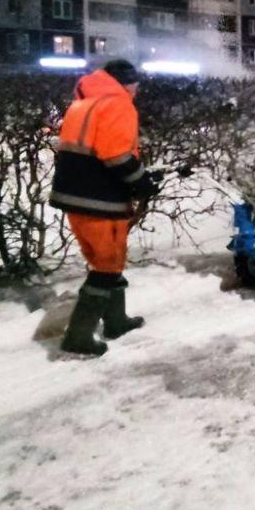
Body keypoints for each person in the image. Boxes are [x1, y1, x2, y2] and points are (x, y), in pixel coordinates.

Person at [49, 58, 159, 356]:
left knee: (106, 260)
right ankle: (78, 335)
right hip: (100, 198)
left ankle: (116, 320)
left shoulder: (83, 104)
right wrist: (141, 183)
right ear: (127, 83)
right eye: (135, 85)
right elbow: (116, 155)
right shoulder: (118, 104)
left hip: (76, 197)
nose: (137, 91)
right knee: (107, 266)